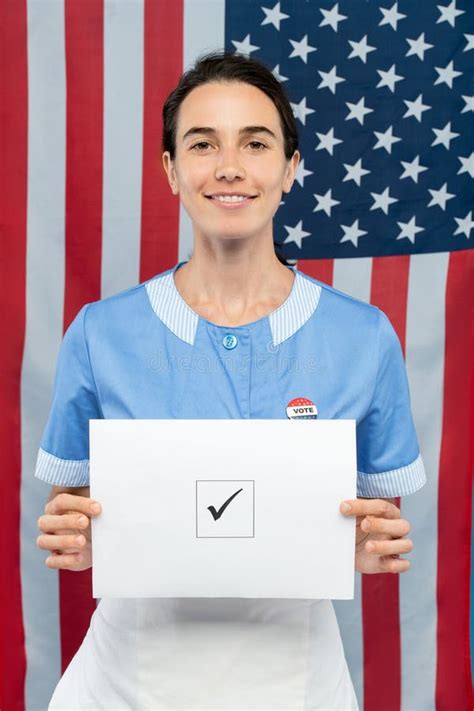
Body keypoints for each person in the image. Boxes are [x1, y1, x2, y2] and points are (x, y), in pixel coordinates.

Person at [35, 50, 426, 710]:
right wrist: (71, 538)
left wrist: (372, 544)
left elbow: (381, 522)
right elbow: (74, 512)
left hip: (297, 679)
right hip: (127, 681)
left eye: (255, 142)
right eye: (201, 143)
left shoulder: (364, 338)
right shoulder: (100, 334)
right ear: (170, 169)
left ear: (290, 168)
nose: (229, 166)